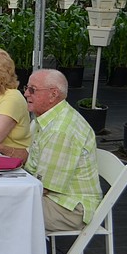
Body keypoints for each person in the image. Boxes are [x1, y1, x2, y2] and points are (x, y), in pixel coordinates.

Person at [23, 69, 102, 232]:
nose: (26, 94)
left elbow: (44, 186)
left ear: (53, 95)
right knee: (0, 203)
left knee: (4, 209)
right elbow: (30, 161)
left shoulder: (60, 130)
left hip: (69, 208)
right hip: (54, 198)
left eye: (32, 89)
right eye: (27, 88)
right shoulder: (47, 119)